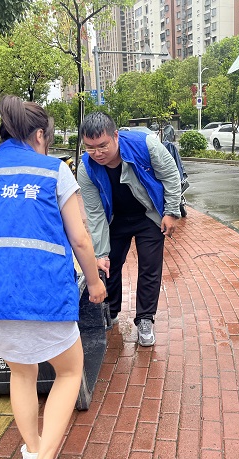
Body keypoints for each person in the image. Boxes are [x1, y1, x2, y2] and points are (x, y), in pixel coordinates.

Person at [0, 95, 106, 459]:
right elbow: (81, 238)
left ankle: (33, 451)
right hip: (44, 298)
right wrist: (96, 282)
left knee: (22, 374)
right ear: (39, 134)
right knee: (70, 372)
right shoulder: (53, 171)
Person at [77, 111, 181, 347]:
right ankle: (110, 311)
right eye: (90, 147)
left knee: (149, 267)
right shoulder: (86, 168)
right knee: (108, 264)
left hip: (149, 214)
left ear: (115, 136)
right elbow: (94, 213)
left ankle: (145, 319)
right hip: (115, 219)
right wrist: (100, 253)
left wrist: (171, 212)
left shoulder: (144, 145)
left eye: (102, 146)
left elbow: (171, 175)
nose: (97, 153)